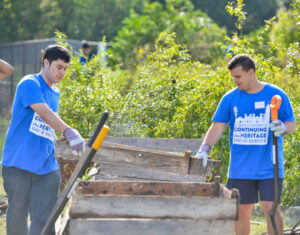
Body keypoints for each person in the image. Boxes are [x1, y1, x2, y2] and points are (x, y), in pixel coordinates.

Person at [196, 54, 296, 235]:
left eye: (238, 76)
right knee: (241, 211)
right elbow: (217, 128)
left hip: (269, 166)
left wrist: (283, 128)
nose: (235, 81)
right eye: (233, 77)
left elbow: (291, 123)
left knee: (271, 210)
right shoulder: (230, 98)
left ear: (251, 72)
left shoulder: (275, 94)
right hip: (240, 168)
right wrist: (205, 148)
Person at [1, 44, 86, 235]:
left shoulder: (55, 92)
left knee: (45, 221)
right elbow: (44, 112)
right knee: (17, 220)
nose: (62, 72)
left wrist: (62, 143)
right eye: (59, 67)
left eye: (65, 68)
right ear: (46, 63)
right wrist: (70, 132)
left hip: (46, 165)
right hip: (18, 163)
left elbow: (48, 124)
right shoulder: (30, 83)